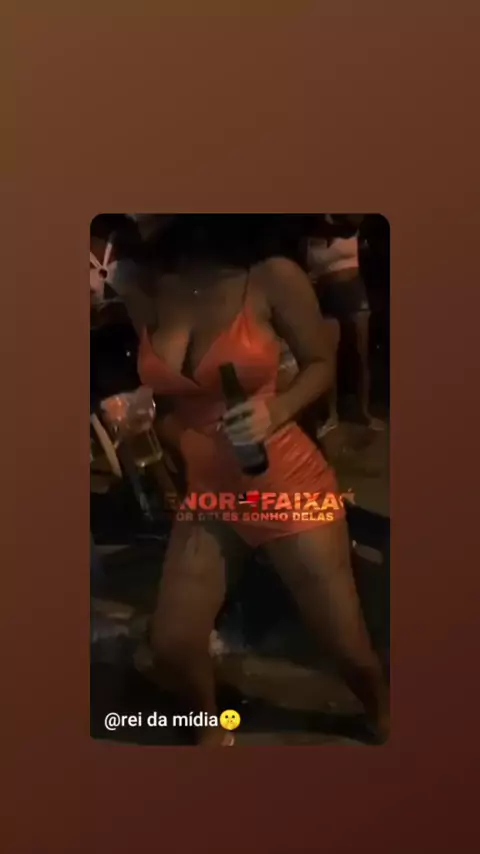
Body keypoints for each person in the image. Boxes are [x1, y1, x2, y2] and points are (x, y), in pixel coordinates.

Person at [113, 214, 389, 746]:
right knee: (173, 644)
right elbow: (166, 398)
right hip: (209, 492)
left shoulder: (271, 275)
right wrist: (145, 415)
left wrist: (276, 410)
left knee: (348, 650)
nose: (135, 211)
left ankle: (387, 720)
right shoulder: (145, 287)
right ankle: (211, 736)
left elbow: (320, 362)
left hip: (286, 485)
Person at [306, 215, 384, 436]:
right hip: (324, 295)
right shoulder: (310, 230)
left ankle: (364, 412)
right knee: (328, 357)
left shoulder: (349, 220)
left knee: (361, 354)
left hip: (352, 290)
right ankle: (332, 416)